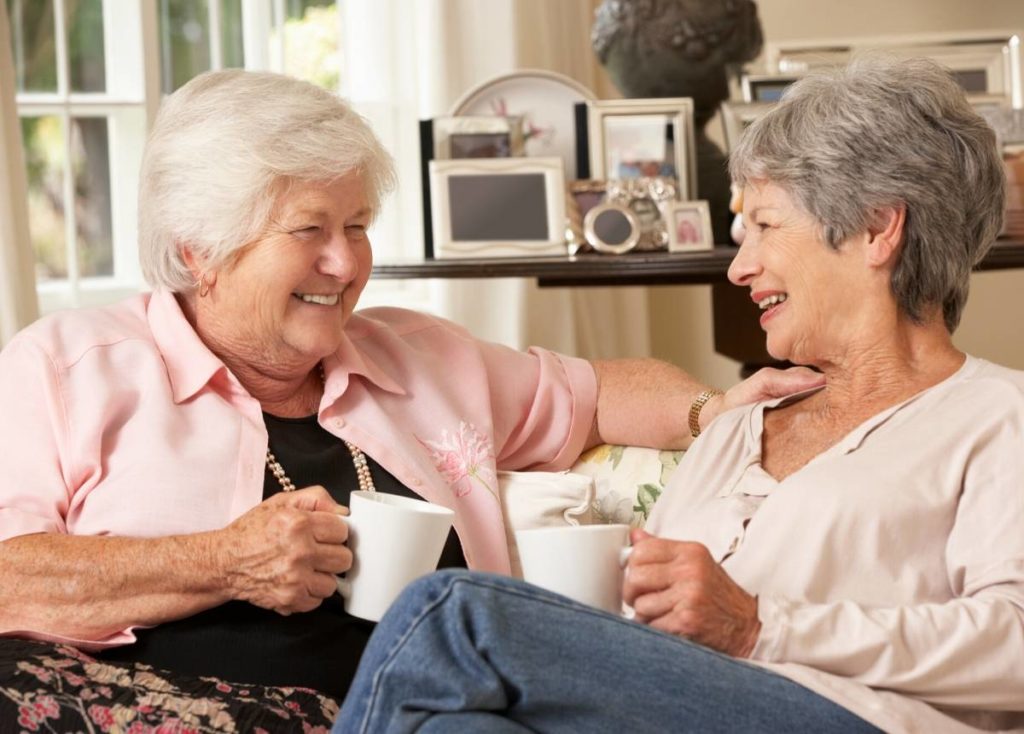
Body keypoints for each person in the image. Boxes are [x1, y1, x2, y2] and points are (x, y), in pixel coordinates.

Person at [0, 69, 818, 704]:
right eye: (309, 231)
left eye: (356, 226)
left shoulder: (419, 358)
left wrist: (713, 410)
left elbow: (599, 391)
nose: (347, 263)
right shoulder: (68, 369)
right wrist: (224, 563)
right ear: (197, 252)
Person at [334, 56, 1024, 734]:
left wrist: (760, 626)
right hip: (681, 707)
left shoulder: (999, 417)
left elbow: (1015, 643)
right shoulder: (741, 424)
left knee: (452, 613)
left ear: (877, 228)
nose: (739, 266)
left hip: (860, 717)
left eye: (765, 226)